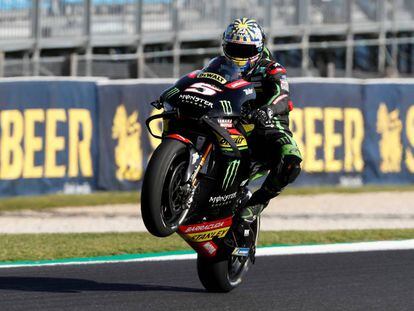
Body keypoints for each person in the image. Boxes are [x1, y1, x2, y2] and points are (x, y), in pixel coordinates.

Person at [221, 17, 302, 223]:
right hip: (227, 122)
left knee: (292, 161)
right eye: (234, 49)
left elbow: (283, 96)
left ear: (258, 49)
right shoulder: (218, 67)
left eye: (245, 51)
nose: (239, 56)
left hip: (266, 125)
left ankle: (259, 201)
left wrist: (267, 110)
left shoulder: (272, 68)